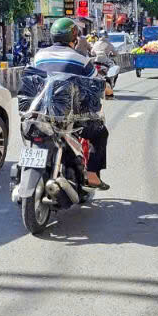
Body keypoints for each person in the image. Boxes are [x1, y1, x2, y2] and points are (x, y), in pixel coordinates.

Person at [32, 17, 110, 189]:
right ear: (74, 39)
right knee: (100, 132)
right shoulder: (80, 59)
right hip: (68, 116)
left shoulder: (39, 56)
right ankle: (92, 175)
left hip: (39, 113)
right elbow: (97, 83)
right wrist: (108, 90)